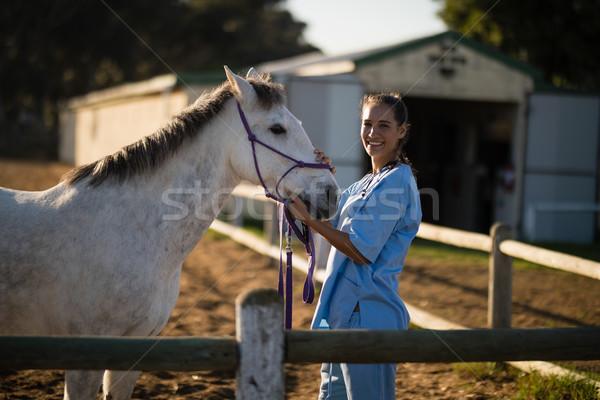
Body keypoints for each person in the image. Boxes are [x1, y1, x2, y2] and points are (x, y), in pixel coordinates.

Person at [287, 92, 422, 399]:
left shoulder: (397, 182)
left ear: (402, 131)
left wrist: (309, 221)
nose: (373, 133)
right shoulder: (367, 182)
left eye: (384, 125)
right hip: (341, 312)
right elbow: (329, 210)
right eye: (367, 124)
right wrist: (319, 174)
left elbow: (360, 250)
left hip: (369, 314)